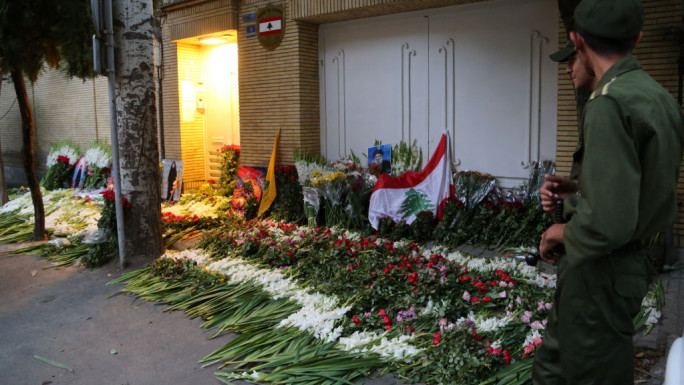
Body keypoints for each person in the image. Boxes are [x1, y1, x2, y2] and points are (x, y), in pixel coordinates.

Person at [533, 1, 684, 384]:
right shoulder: (656, 95)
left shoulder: (608, 103)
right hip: (620, 267)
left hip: (601, 271)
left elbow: (605, 226)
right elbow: (640, 183)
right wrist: (580, 188)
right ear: (637, 38)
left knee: (590, 372)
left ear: (576, 39)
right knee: (556, 363)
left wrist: (556, 232)